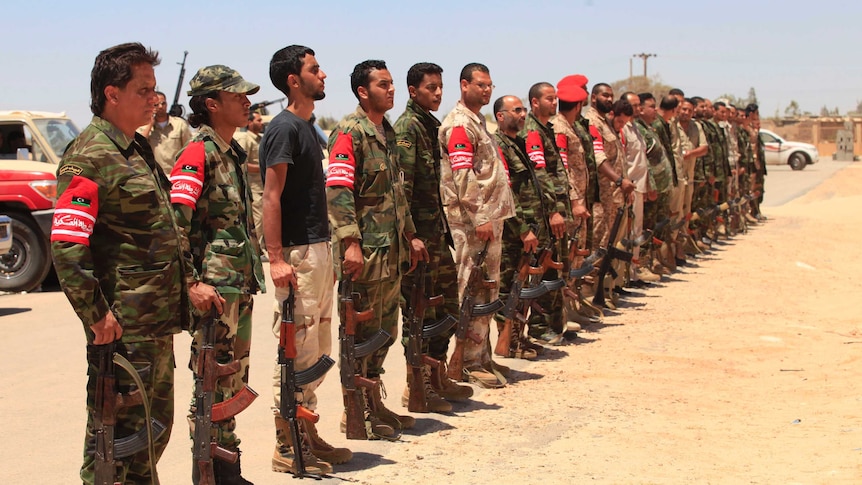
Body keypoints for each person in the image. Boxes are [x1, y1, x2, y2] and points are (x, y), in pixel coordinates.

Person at [50, 42, 192, 485]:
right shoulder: (89, 156)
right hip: (124, 325)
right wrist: (96, 315)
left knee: (152, 430)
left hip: (156, 321)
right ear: (112, 94)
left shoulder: (137, 149)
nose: (155, 98)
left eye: (155, 89)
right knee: (114, 438)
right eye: (144, 89)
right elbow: (68, 246)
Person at [169, 64, 265, 485]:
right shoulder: (197, 153)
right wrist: (191, 282)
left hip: (237, 285)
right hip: (215, 289)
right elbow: (177, 223)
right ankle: (208, 473)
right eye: (237, 95)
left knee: (231, 380)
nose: (247, 102)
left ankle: (228, 467)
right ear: (211, 104)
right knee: (211, 379)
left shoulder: (231, 152)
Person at [259, 44, 349, 476]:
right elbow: (270, 196)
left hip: (318, 247)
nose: (324, 74)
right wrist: (276, 258)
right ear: (294, 80)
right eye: (315, 69)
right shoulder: (283, 128)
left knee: (317, 349)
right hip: (298, 252)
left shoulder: (308, 127)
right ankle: (287, 443)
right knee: (295, 350)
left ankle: (306, 433)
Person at [326, 59, 428, 435]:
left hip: (391, 253)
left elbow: (398, 194)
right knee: (361, 335)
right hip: (365, 254)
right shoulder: (349, 133)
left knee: (385, 331)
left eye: (391, 84)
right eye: (383, 84)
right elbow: (338, 191)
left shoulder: (385, 132)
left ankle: (374, 404)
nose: (391, 90)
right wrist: (350, 242)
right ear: (362, 91)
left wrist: (412, 235)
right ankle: (354, 411)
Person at [393, 62, 473, 412]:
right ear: (413, 91)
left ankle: (436, 374)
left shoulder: (430, 125)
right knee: (422, 313)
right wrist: (410, 236)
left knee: (447, 309)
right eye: (430, 88)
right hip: (421, 240)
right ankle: (419, 387)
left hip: (437, 234)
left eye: (440, 87)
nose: (438, 93)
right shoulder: (408, 128)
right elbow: (403, 189)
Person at [438, 63, 515, 388]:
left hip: (489, 221)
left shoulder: (477, 122)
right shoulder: (459, 124)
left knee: (488, 289)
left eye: (490, 86)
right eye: (481, 85)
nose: (487, 90)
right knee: (469, 289)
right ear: (464, 85)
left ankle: (480, 355)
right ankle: (466, 361)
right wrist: (481, 216)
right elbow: (462, 174)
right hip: (470, 224)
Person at [518, 82, 572, 342]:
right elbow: (540, 174)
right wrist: (552, 211)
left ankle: (555, 325)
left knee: (555, 269)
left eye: (556, 98)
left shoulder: (546, 129)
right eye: (550, 98)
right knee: (542, 271)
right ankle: (540, 329)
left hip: (554, 210)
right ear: (535, 102)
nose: (555, 102)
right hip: (541, 213)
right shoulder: (532, 132)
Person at [492, 94, 543, 356]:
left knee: (522, 286)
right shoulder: (497, 145)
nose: (523, 115)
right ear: (500, 116)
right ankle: (507, 341)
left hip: (529, 227)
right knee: (508, 287)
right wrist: (523, 228)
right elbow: (506, 192)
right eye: (516, 110)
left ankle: (517, 338)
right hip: (514, 229)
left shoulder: (519, 144)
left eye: (524, 110)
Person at [138, 90, 193, 174]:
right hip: (154, 178)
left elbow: (189, 151)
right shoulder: (144, 126)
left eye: (163, 103)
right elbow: (138, 145)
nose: (160, 107)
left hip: (175, 176)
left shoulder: (179, 125)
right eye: (156, 104)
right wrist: (150, 124)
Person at [234, 111, 266, 254]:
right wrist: (264, 168)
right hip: (253, 187)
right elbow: (242, 164)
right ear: (249, 122)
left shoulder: (260, 139)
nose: (261, 123)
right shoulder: (245, 139)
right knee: (257, 222)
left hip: (263, 186)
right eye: (258, 120)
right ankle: (255, 252)